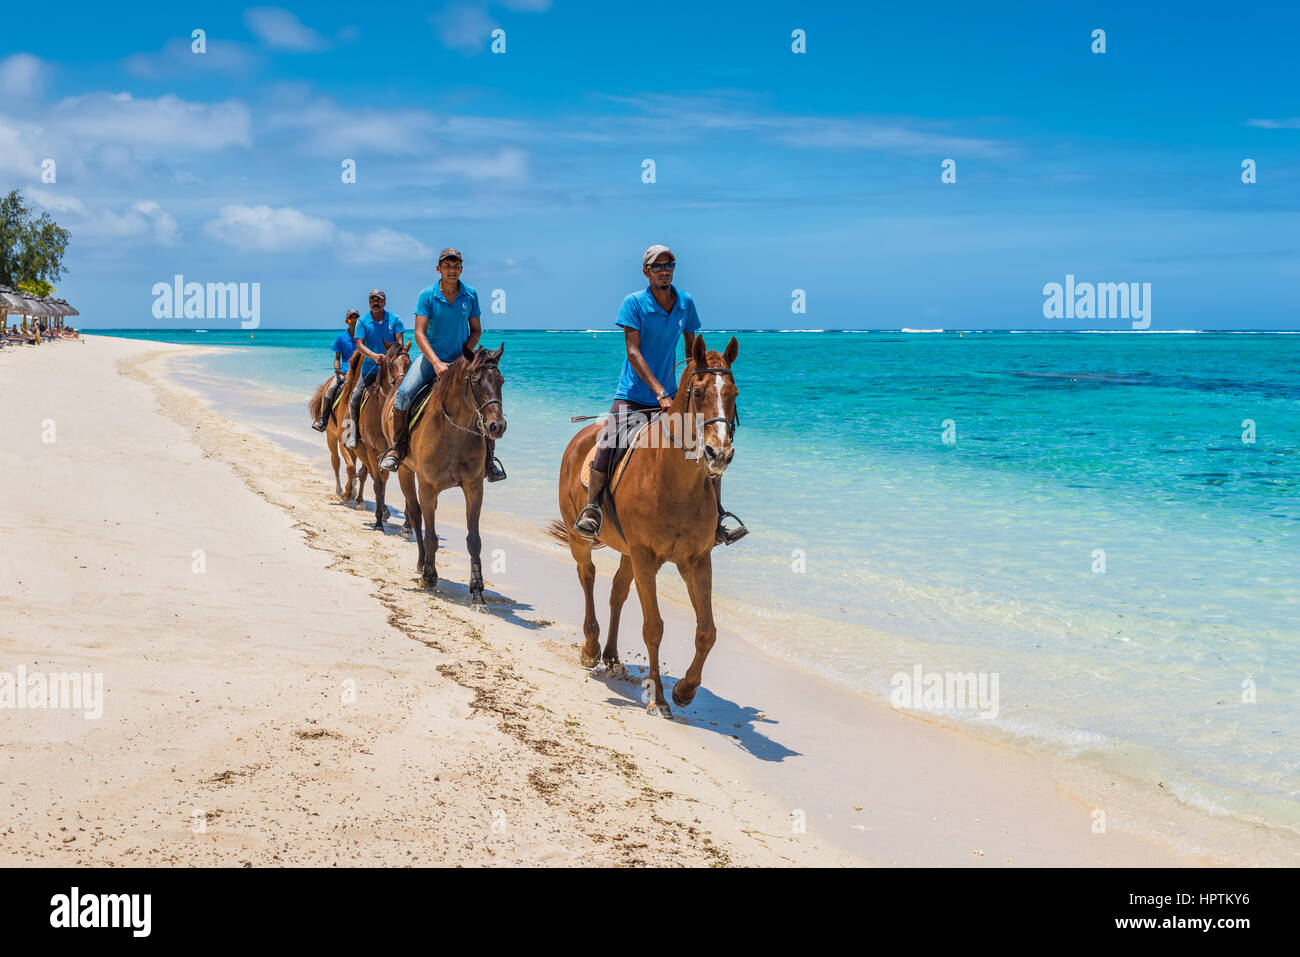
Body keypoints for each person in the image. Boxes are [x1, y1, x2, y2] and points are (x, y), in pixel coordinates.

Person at [572, 244, 746, 546]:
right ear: (646, 272)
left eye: (669, 265)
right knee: (609, 441)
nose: (663, 270)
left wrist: (689, 394)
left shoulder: (685, 304)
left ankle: (717, 516)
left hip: (673, 397)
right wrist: (660, 393)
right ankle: (593, 509)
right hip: (633, 394)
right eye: (657, 266)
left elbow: (696, 355)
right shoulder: (634, 304)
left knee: (707, 448)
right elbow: (634, 352)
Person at [379, 248, 506, 481]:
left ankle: (489, 461)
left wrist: (465, 357)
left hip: (461, 362)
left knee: (484, 400)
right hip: (430, 360)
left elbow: (476, 330)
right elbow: (419, 333)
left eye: (456, 265)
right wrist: (436, 362)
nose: (452, 269)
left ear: (461, 268)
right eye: (447, 266)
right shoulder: (427, 295)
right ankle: (397, 450)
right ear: (438, 269)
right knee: (404, 395)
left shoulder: (470, 295)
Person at [342, 290, 404, 451]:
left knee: (407, 395)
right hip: (370, 369)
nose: (375, 302)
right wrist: (374, 356)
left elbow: (400, 344)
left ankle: (405, 436)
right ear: (369, 302)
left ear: (384, 302)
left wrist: (390, 357)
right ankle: (353, 435)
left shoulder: (395, 320)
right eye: (372, 300)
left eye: (378, 300)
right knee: (355, 398)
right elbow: (360, 345)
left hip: (391, 370)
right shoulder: (363, 322)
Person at [312, 308, 360, 431]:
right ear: (346, 321)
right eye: (350, 318)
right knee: (330, 389)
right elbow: (337, 358)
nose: (353, 321)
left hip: (361, 373)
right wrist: (336, 367)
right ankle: (323, 420)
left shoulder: (363, 336)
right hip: (344, 372)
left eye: (356, 318)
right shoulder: (341, 338)